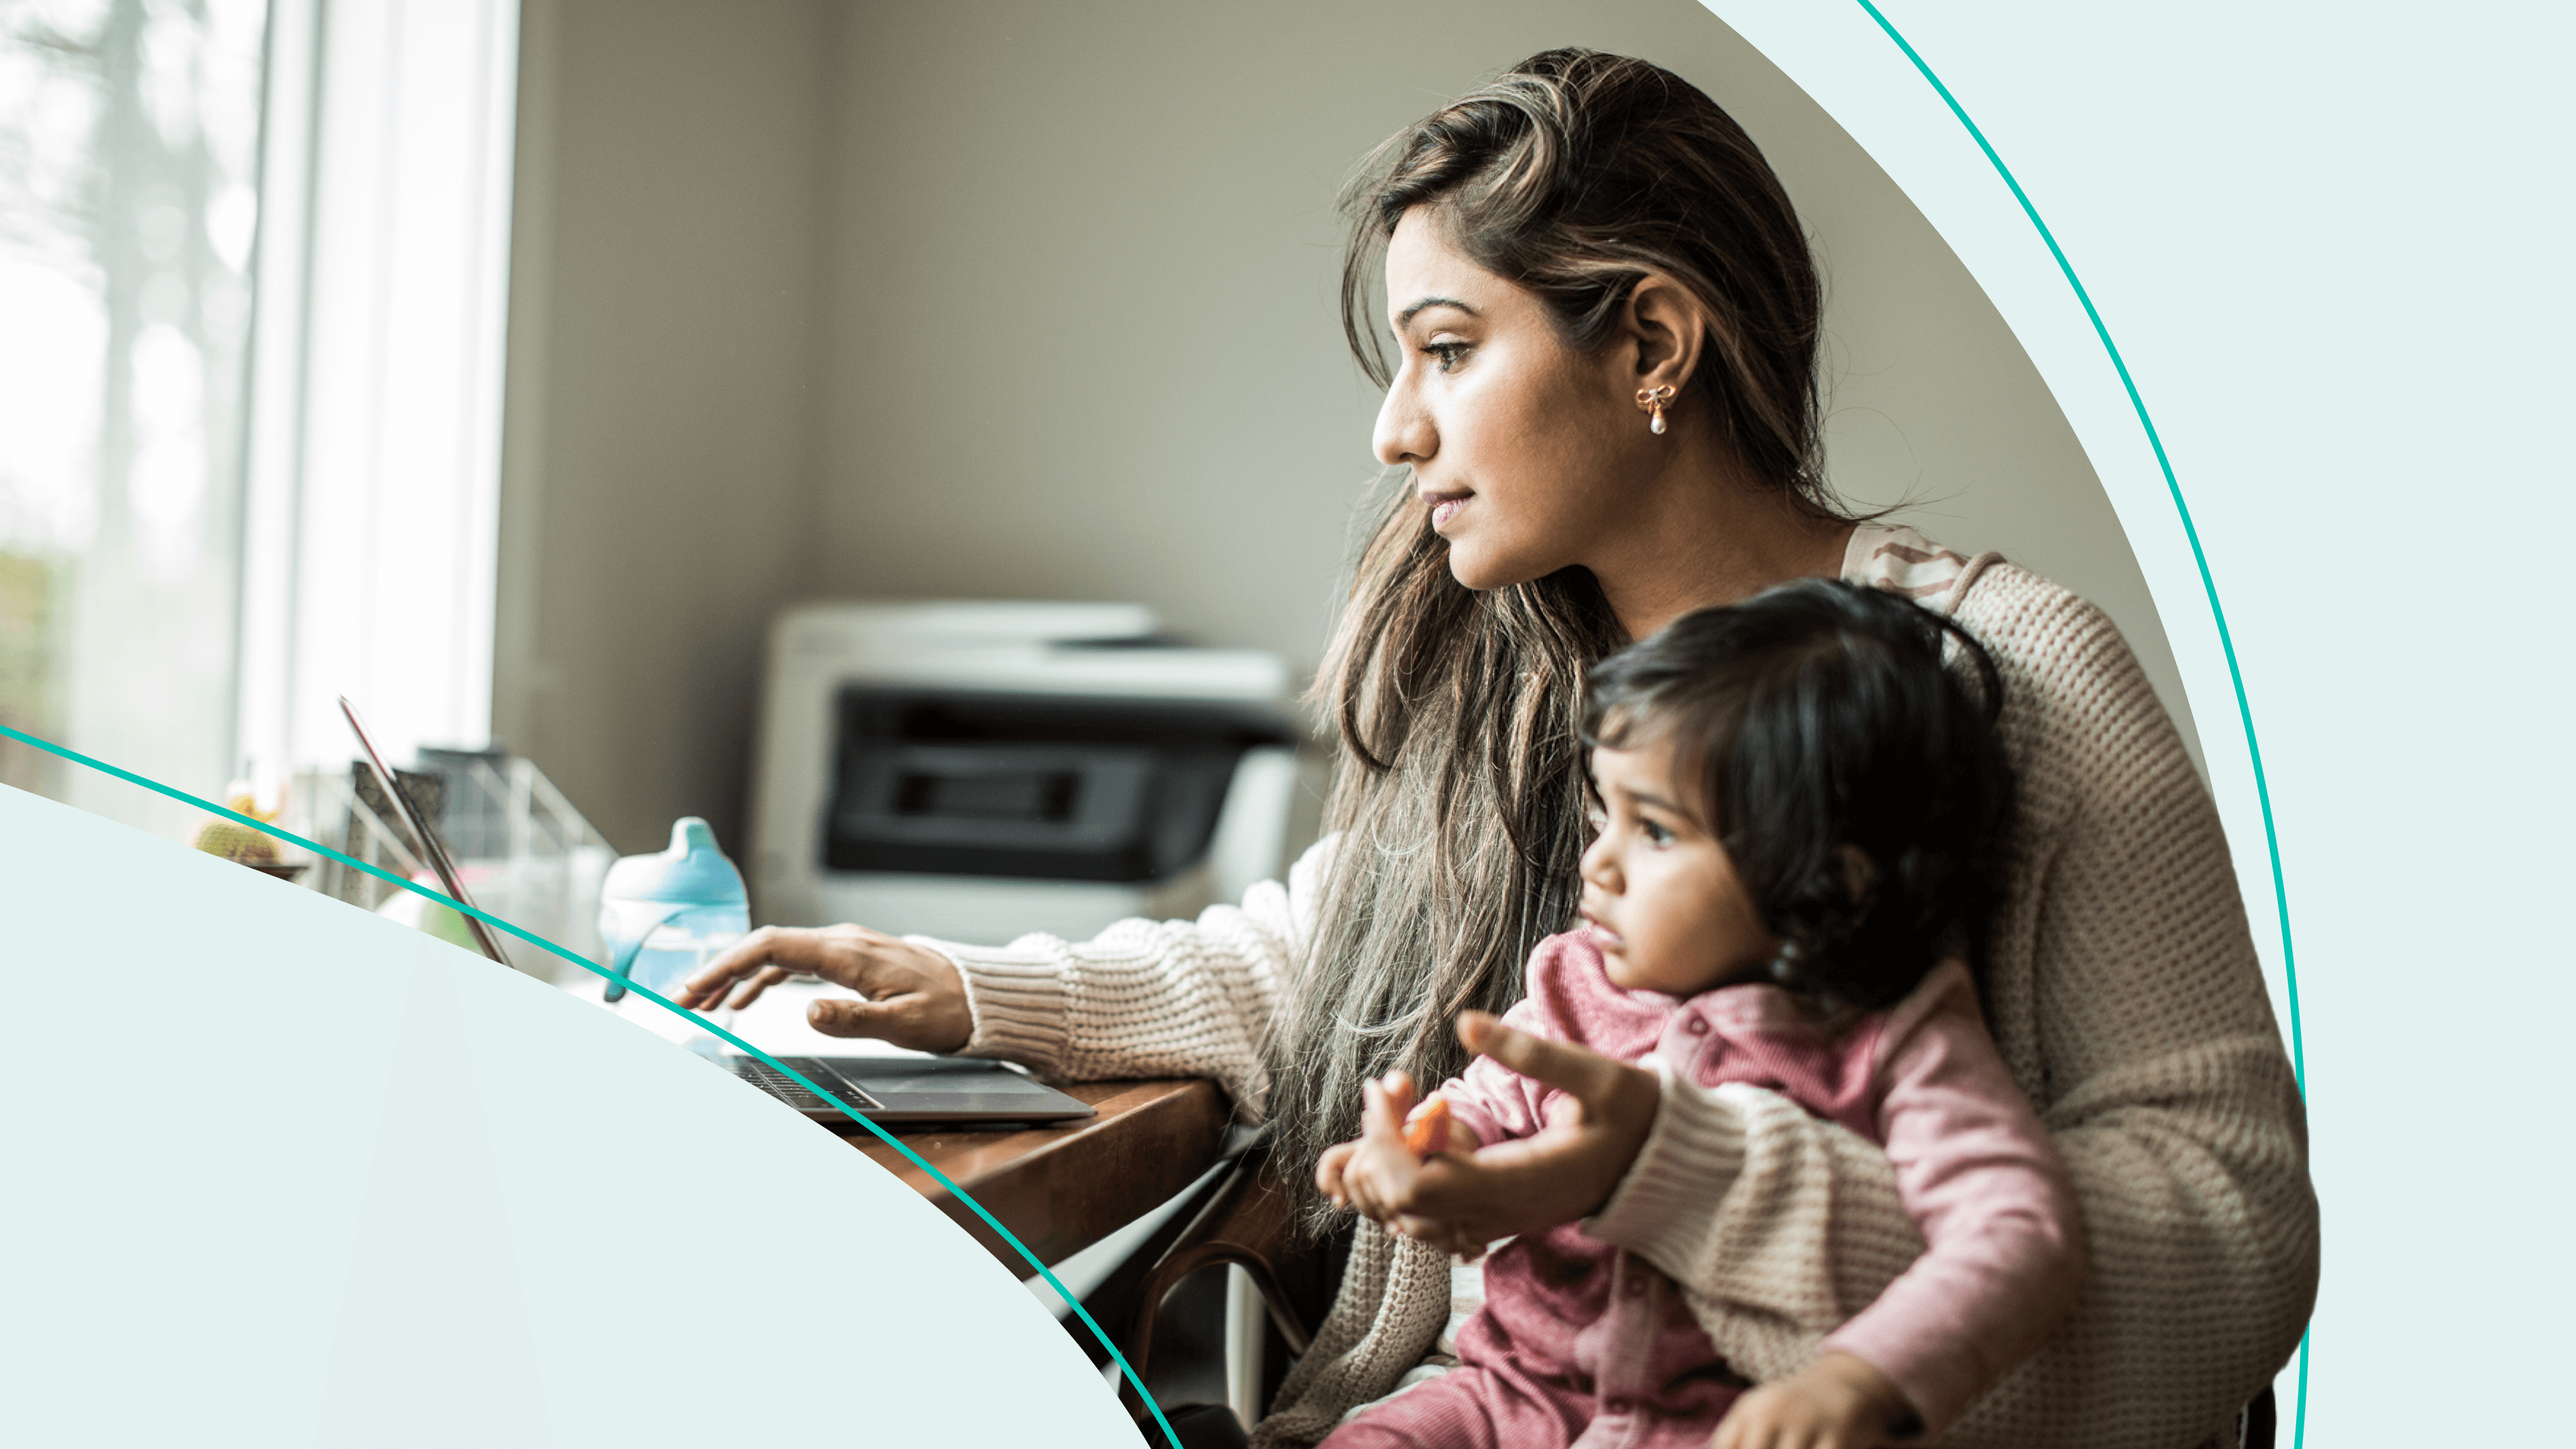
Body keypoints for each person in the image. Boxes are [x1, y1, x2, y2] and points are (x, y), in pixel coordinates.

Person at [677, 48, 2316, 1448]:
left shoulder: (2014, 676)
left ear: (1653, 345)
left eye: (1449, 350)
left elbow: (2231, 1219)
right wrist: (972, 994)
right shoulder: (1522, 682)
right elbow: (1318, 962)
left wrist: (1705, 1193)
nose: (1397, 431)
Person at [1318, 580, 2084, 1449]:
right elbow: (1485, 1105)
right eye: (1608, 811)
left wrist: (1862, 1378)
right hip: (1507, 1397)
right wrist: (1431, 1149)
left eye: (1656, 831)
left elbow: (2019, 1230)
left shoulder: (1897, 1036)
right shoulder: (1576, 984)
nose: (1596, 863)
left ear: (1829, 880)